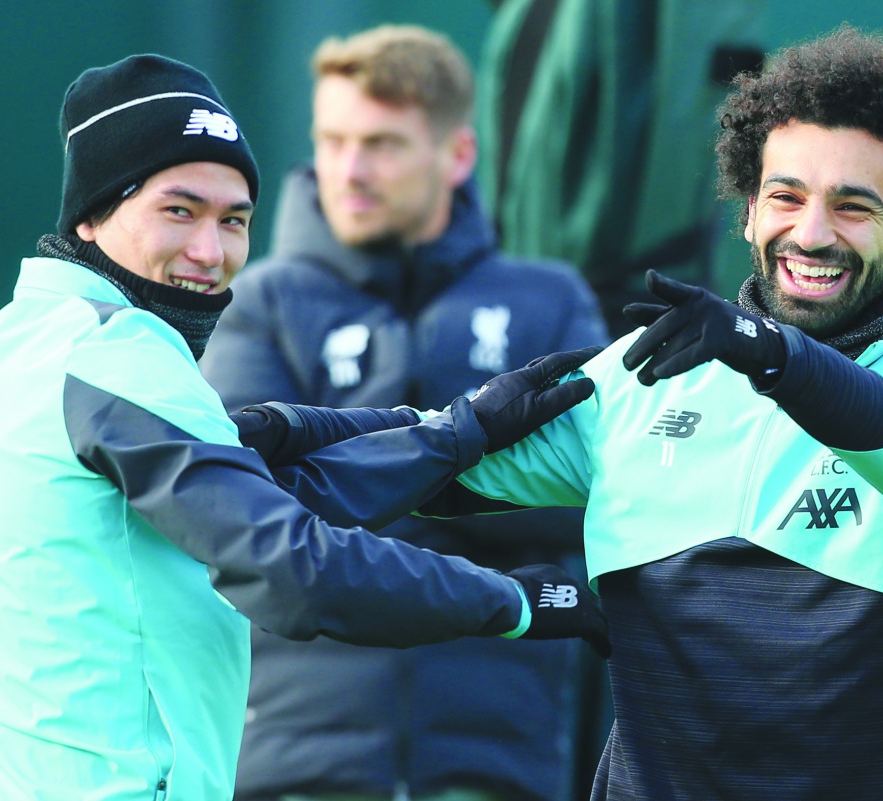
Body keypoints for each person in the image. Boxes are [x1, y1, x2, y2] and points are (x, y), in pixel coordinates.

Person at [0, 53, 609, 800]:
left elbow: (250, 479)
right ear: (91, 212)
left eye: (234, 220)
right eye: (178, 210)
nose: (211, 254)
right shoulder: (119, 350)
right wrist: (526, 602)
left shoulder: (15, 337)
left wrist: (447, 431)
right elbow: (294, 566)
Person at [420, 26, 883, 800]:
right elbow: (432, 466)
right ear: (748, 210)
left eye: (853, 206)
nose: (811, 234)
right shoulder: (658, 365)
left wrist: (771, 353)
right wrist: (277, 433)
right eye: (786, 196)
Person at [201, 25, 611, 801]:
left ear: (457, 156)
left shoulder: (549, 299)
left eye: (382, 143)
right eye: (333, 140)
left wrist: (359, 479)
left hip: (500, 762)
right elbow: (246, 511)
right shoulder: (259, 301)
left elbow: (591, 499)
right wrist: (465, 447)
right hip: (295, 768)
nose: (349, 170)